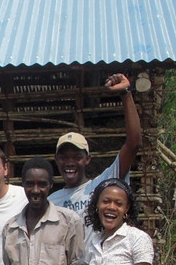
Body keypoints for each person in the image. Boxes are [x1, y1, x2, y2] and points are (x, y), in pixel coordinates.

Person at [49, 74, 140, 222]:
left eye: (77, 157)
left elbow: (133, 144)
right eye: (64, 158)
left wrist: (125, 93)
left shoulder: (102, 185)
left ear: (87, 159)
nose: (70, 163)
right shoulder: (52, 202)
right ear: (56, 160)